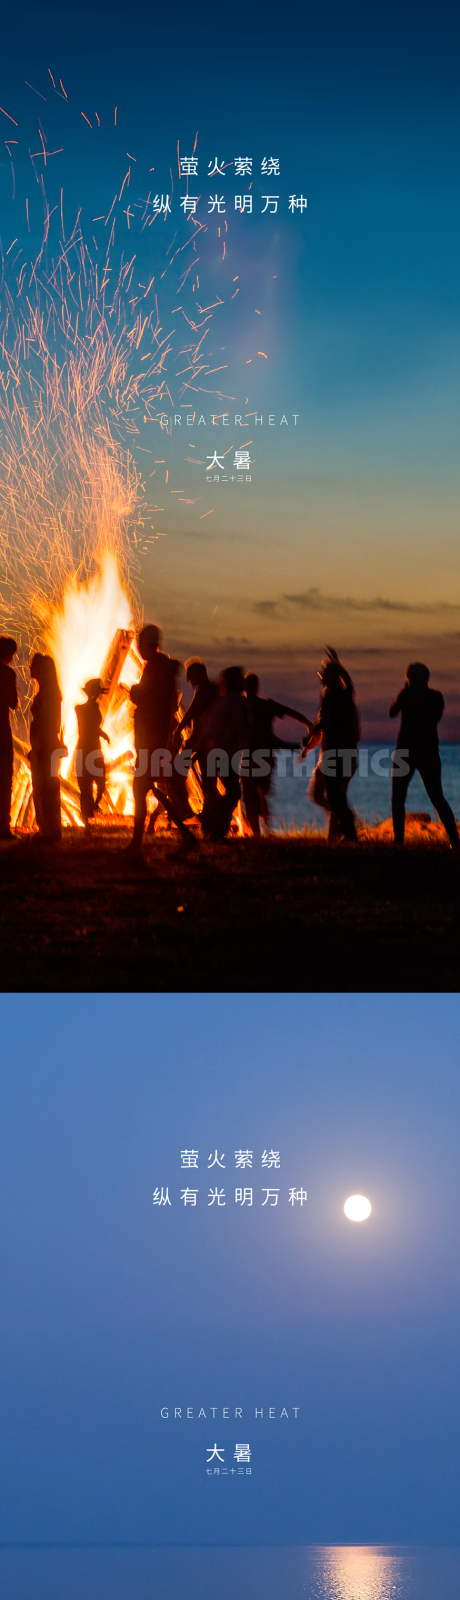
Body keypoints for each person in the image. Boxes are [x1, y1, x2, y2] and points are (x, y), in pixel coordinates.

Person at [128, 624, 191, 851]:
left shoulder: (156, 669)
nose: (138, 648)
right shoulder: (159, 667)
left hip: (151, 739)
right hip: (153, 738)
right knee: (153, 788)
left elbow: (150, 699)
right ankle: (185, 833)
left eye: (140, 644)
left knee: (141, 788)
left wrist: (135, 693)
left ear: (149, 645)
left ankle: (136, 842)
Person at [389, 662, 459, 848]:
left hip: (406, 750)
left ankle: (398, 840)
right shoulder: (436, 697)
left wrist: (403, 695)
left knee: (398, 797)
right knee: (437, 796)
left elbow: (392, 713)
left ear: (410, 679)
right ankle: (454, 838)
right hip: (428, 750)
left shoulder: (407, 696)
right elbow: (435, 717)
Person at [301, 647, 360, 842]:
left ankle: (344, 832)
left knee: (336, 796)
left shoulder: (338, 695)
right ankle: (344, 826)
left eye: (323, 673)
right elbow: (322, 726)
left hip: (339, 753)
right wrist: (309, 746)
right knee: (323, 795)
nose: (320, 676)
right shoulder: (330, 695)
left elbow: (323, 723)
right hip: (330, 754)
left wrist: (337, 663)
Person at [242, 673, 312, 836]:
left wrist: (308, 724)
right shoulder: (252, 706)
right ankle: (259, 832)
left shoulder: (253, 706)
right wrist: (307, 724)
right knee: (256, 793)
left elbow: (289, 712)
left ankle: (259, 831)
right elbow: (290, 713)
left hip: (256, 755)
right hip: (259, 755)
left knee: (255, 793)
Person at [198, 666, 249, 841]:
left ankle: (211, 824)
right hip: (224, 753)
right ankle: (215, 828)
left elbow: (208, 727)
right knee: (233, 792)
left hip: (213, 752)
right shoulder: (236, 702)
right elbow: (238, 728)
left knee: (225, 790)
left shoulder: (220, 702)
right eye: (239, 678)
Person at [29, 653, 65, 840]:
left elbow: (47, 722)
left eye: (33, 665)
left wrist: (41, 748)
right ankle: (50, 829)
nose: (29, 668)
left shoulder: (48, 695)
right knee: (48, 787)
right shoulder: (50, 692)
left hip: (46, 746)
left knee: (45, 788)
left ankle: (48, 830)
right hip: (46, 745)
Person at [75, 679, 110, 827]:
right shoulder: (82, 709)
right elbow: (90, 727)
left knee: (97, 782)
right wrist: (103, 734)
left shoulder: (85, 708)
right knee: (89, 784)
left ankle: (92, 807)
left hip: (90, 748)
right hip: (89, 748)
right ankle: (87, 818)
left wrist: (102, 734)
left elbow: (92, 726)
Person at [0, 636, 18, 840]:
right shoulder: (7, 674)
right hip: (2, 733)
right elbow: (13, 703)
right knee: (4, 780)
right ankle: (3, 827)